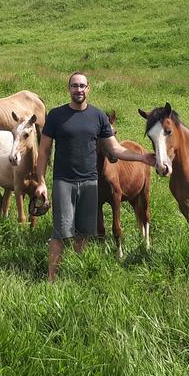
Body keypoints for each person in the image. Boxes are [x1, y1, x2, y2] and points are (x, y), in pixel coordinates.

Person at [35, 72, 156, 282]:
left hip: (91, 183)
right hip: (64, 181)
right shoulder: (55, 116)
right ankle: (51, 279)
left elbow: (115, 149)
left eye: (82, 86)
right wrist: (41, 182)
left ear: (88, 88)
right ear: (69, 89)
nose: (78, 90)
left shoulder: (98, 116)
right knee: (60, 233)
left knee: (84, 233)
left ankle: (78, 274)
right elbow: (44, 151)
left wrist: (142, 157)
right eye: (74, 86)